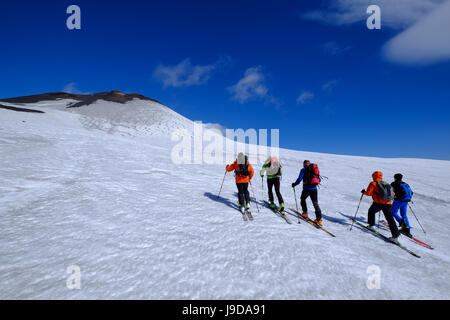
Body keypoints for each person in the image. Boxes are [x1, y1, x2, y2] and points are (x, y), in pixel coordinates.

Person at [361, 171, 401, 243]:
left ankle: (371, 225)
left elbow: (369, 193)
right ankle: (395, 236)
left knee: (371, 211)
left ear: (374, 176)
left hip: (378, 203)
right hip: (388, 203)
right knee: (390, 219)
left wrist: (363, 192)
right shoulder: (386, 183)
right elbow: (393, 193)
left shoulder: (373, 183)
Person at [291, 160, 323, 225]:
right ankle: (319, 220)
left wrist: (294, 184)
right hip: (314, 189)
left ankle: (305, 213)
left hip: (306, 189)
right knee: (315, 204)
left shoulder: (303, 170)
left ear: (304, 164)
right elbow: (319, 180)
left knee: (302, 199)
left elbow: (299, 179)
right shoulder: (314, 169)